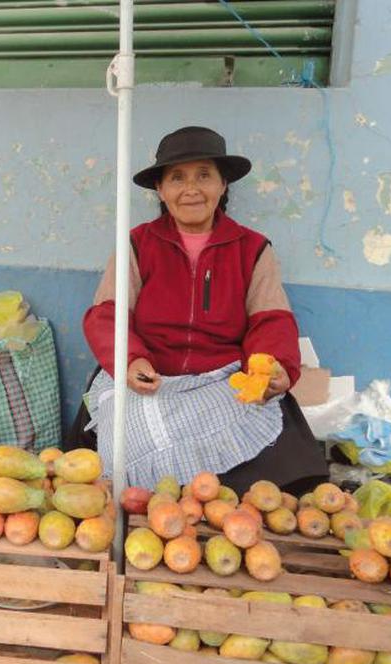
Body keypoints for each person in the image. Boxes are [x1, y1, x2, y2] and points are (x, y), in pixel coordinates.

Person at [79, 126, 327, 494]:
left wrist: (274, 365)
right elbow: (106, 315)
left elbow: (270, 319)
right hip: (149, 377)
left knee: (279, 480)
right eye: (177, 178)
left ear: (223, 185)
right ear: (161, 191)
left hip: (222, 379)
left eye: (204, 176)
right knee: (120, 473)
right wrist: (131, 360)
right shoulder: (136, 244)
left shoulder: (253, 248)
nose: (191, 189)